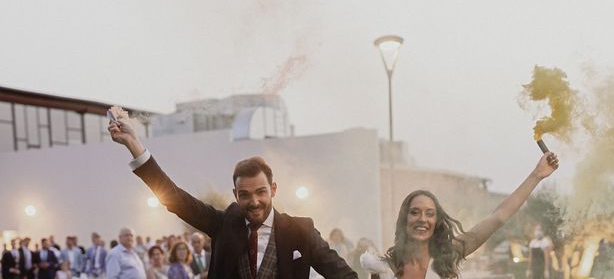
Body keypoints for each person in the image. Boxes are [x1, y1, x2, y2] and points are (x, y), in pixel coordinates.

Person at [108, 105, 357, 279]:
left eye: (261, 192)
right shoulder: (223, 223)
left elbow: (342, 274)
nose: (255, 201)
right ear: (236, 195)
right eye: (245, 195)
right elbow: (175, 198)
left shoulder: (301, 231)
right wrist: (134, 145)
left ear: (273, 189)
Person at [361, 152, 559, 279]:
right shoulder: (383, 269)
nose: (422, 218)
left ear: (436, 222)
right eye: (415, 212)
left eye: (430, 214)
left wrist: (536, 175)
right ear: (405, 220)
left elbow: (498, 217)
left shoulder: (448, 254)